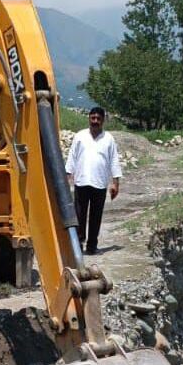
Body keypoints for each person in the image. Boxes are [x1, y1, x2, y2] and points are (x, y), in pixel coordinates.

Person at [64, 107, 121, 255]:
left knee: (96, 216)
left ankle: (92, 246)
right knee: (79, 216)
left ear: (103, 120)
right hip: (82, 182)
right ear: (89, 118)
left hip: (100, 183)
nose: (95, 121)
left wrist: (115, 183)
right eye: (93, 118)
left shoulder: (108, 139)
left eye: (98, 118)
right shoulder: (80, 136)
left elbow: (114, 161)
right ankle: (79, 244)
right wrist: (68, 174)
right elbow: (72, 156)